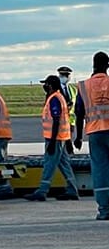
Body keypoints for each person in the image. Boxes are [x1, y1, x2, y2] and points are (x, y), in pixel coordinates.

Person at [24, 74, 80, 202]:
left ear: (50, 85)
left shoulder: (54, 99)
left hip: (55, 138)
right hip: (61, 137)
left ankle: (42, 191)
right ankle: (72, 190)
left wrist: (53, 141)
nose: (44, 86)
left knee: (49, 164)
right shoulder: (58, 97)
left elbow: (56, 120)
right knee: (64, 164)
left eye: (46, 84)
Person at [74, 51, 109, 220]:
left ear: (93, 65)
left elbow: (79, 113)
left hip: (95, 132)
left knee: (100, 170)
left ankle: (104, 209)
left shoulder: (83, 86)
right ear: (107, 65)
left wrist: (78, 137)